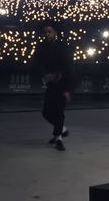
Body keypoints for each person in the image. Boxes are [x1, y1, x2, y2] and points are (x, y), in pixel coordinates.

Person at [34, 22, 73, 151]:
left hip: (62, 83)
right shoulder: (42, 47)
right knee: (46, 112)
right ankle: (62, 130)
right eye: (45, 32)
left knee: (59, 112)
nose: (47, 34)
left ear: (55, 32)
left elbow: (68, 67)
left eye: (49, 32)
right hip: (50, 83)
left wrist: (67, 89)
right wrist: (44, 75)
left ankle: (59, 139)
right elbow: (38, 63)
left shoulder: (63, 47)